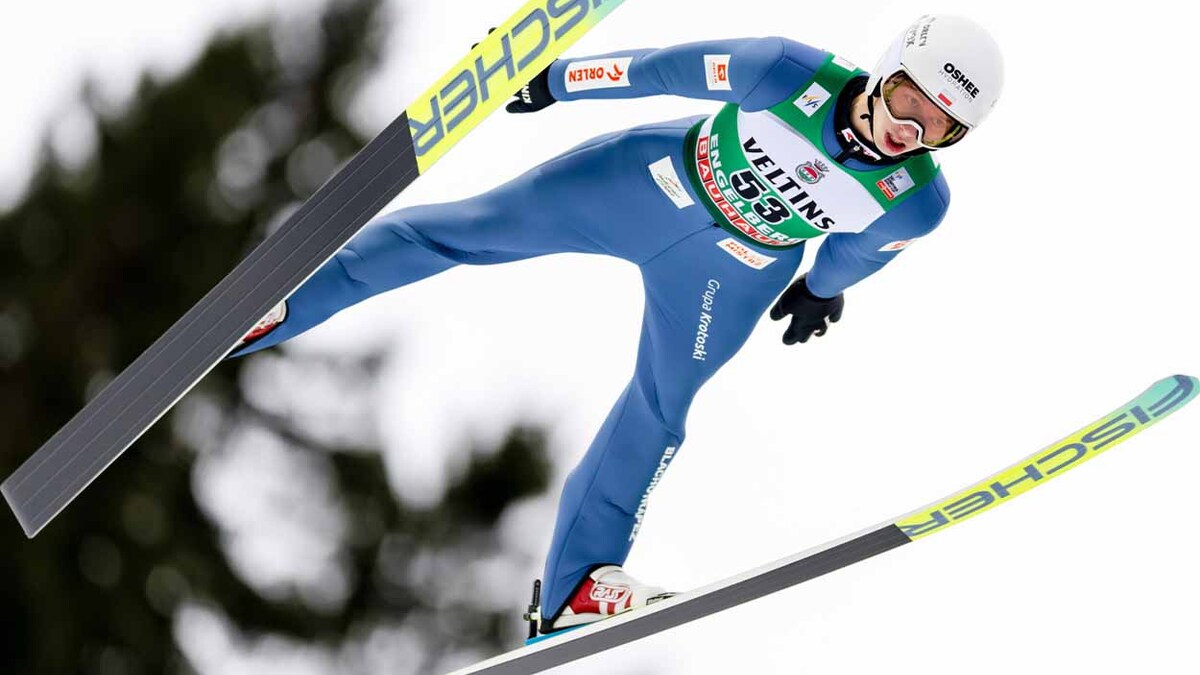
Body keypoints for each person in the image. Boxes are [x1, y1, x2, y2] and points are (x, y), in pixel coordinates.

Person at [230, 14, 1004, 635]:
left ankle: (576, 587)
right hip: (645, 184)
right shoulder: (784, 71)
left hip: (732, 273)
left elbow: (858, 252)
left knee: (662, 406)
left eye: (940, 128)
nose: (911, 131)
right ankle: (286, 303)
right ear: (888, 70)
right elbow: (658, 69)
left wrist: (822, 291)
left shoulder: (917, 202)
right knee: (466, 230)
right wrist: (553, 79)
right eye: (911, 102)